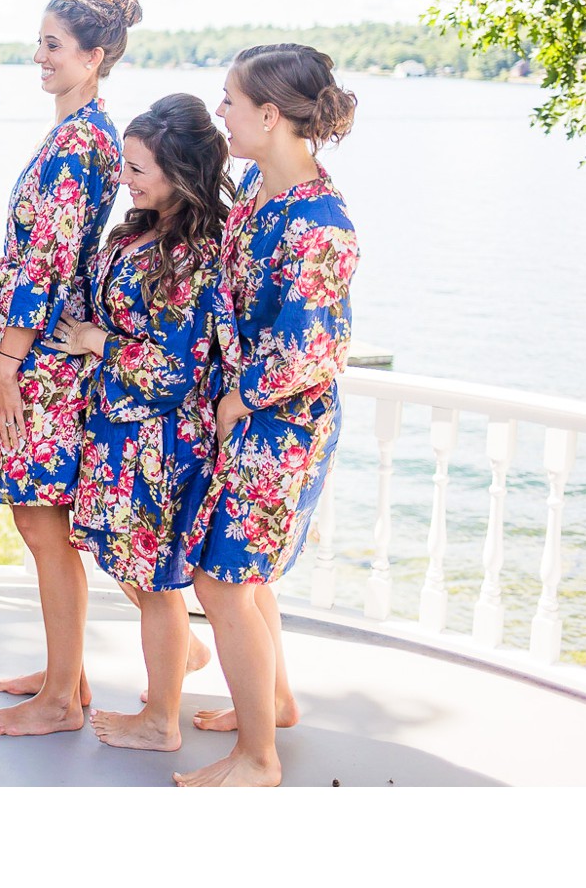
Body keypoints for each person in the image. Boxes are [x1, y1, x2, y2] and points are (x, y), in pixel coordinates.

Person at [176, 43, 359, 787]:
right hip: (251, 415)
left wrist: (234, 397)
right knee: (243, 579)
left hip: (281, 425)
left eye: (228, 99)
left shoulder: (320, 223)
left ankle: (258, 757)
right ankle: (275, 702)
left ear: (270, 114)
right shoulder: (256, 186)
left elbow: (314, 347)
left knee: (221, 581)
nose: (220, 111)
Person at [43, 93, 230, 753]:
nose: (126, 176)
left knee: (152, 581)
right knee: (127, 566)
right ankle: (186, 652)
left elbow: (171, 369)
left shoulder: (190, 256)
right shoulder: (135, 231)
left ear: (181, 172)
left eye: (139, 167)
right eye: (125, 162)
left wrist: (97, 341)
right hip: (118, 429)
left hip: (158, 441)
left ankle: (161, 722)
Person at [0, 0, 139, 738]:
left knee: (44, 526)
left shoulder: (79, 144)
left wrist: (7, 359)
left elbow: (44, 260)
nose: (38, 56)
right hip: (39, 346)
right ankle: (63, 671)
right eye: (38, 41)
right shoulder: (81, 132)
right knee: (41, 522)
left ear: (93, 57)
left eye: (53, 45)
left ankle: (62, 700)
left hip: (41, 355)